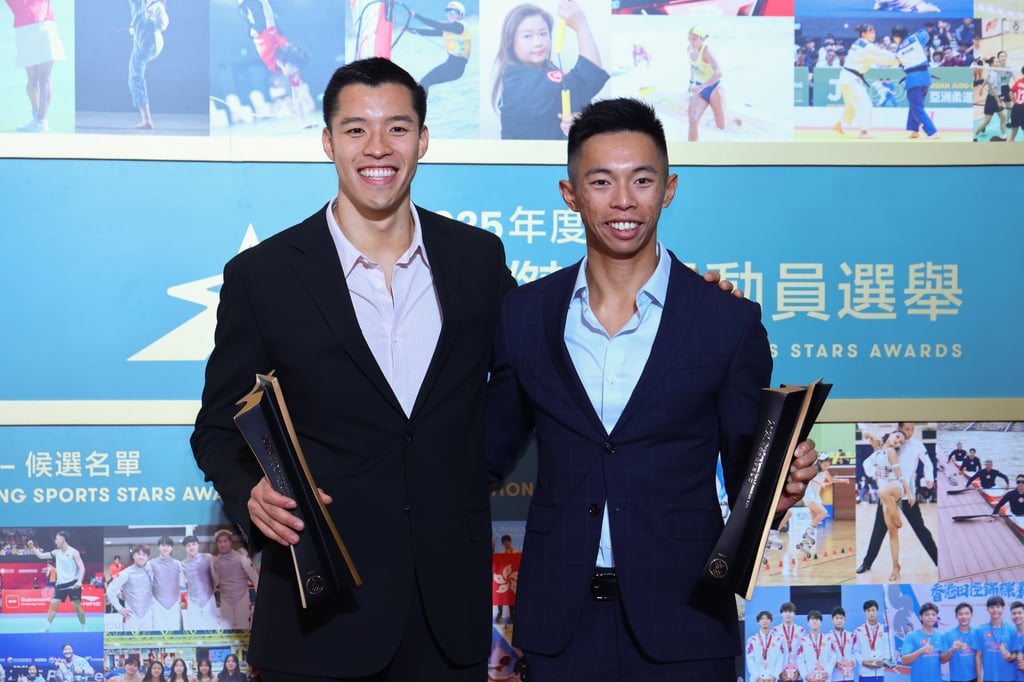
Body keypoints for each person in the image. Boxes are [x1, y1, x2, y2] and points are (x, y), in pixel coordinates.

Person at [190, 56, 517, 680]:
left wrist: (474, 466)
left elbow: (530, 368)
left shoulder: (476, 258)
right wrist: (249, 493)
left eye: (397, 128)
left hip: (446, 612)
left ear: (422, 140)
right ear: (327, 142)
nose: (378, 148)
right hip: (322, 612)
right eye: (355, 129)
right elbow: (216, 428)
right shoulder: (264, 276)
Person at [485, 97, 818, 680]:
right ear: (571, 194)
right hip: (560, 623)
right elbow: (482, 456)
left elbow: (749, 480)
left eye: (642, 180)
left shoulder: (726, 321)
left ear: (669, 189)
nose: (623, 201)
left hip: (686, 619)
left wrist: (781, 487)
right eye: (601, 181)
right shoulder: (524, 315)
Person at [491, 1, 609, 139]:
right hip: (531, 159)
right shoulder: (519, 83)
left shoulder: (546, 69)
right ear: (511, 42)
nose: (538, 42)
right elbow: (587, 78)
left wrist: (578, 120)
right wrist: (581, 26)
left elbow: (579, 96)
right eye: (528, 36)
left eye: (543, 33)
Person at [856, 422, 937, 575]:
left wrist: (929, 477)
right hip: (888, 494)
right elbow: (870, 462)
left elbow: (928, 463)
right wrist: (876, 471)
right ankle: (867, 563)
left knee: (921, 529)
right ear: (898, 429)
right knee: (878, 531)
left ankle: (938, 560)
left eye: (912, 429)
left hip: (907, 494)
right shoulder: (887, 447)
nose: (910, 432)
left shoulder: (917, 446)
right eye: (907, 429)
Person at [236, 0, 313, 126]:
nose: (294, 71)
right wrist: (265, 3)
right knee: (251, 7)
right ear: (286, 62)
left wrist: (303, 122)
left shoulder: (293, 70)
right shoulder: (273, 41)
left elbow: (297, 96)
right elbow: (269, 18)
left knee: (245, 11)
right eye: (293, 67)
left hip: (260, 33)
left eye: (295, 68)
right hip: (263, 27)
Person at [5, 0, 65, 133]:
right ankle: (39, 119)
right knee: (37, 79)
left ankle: (40, 120)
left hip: (39, 25)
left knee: (41, 79)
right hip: (32, 28)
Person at [833, 24, 899, 139]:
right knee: (865, 103)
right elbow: (882, 55)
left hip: (847, 77)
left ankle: (839, 124)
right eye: (870, 32)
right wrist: (899, 58)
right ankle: (864, 131)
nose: (874, 34)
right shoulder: (867, 47)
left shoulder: (858, 43)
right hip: (850, 78)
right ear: (863, 34)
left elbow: (877, 57)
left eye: (874, 32)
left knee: (851, 106)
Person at [686, 26, 742, 142]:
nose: (691, 42)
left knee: (722, 126)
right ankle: (691, 152)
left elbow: (719, 72)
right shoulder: (689, 49)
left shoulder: (707, 51)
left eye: (695, 39)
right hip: (700, 89)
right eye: (690, 38)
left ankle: (732, 119)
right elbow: (694, 68)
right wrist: (691, 84)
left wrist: (701, 86)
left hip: (714, 88)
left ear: (702, 39)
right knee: (693, 119)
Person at [26, 532, 87, 632]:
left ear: (62, 539)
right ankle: (47, 627)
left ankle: (84, 627)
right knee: (53, 604)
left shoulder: (74, 552)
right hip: (60, 584)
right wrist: (33, 547)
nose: (55, 541)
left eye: (57, 539)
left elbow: (82, 567)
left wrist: (80, 581)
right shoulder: (56, 552)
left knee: (77, 607)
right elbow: (41, 556)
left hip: (73, 584)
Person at [407, 1, 471, 93]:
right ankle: (420, 105)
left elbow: (437, 25)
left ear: (460, 15)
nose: (450, 14)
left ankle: (418, 106)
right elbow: (430, 32)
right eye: (449, 12)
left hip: (456, 67)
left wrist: (416, 15)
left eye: (453, 12)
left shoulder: (459, 26)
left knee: (425, 82)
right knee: (425, 82)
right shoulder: (450, 29)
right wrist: (410, 30)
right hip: (451, 64)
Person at [891, 24, 939, 139]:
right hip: (925, 77)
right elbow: (926, 33)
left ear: (897, 37)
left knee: (917, 107)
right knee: (916, 105)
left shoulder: (898, 51)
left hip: (913, 79)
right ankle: (914, 130)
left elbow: (902, 66)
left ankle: (932, 131)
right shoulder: (916, 38)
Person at [796, 456, 850, 557]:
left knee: (814, 520)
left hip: (815, 496)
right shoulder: (814, 470)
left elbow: (831, 479)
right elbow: (809, 479)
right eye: (825, 465)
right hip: (809, 495)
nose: (826, 467)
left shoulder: (825, 472)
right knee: (823, 513)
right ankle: (807, 532)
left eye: (828, 465)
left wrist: (842, 480)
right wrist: (821, 482)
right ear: (820, 463)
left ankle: (804, 543)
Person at [127, 0, 169, 129]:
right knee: (134, 78)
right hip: (141, 45)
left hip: (149, 41)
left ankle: (147, 120)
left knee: (139, 12)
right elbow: (133, 29)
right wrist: (133, 27)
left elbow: (163, 23)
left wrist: (149, 19)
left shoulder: (157, 7)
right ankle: (146, 120)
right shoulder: (143, 9)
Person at [210, 529, 258, 630]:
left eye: (225, 541)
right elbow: (216, 582)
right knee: (227, 630)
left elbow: (255, 577)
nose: (223, 544)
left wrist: (261, 598)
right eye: (220, 542)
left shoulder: (241, 558)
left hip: (241, 598)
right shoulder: (215, 561)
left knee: (243, 628)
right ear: (217, 544)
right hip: (225, 600)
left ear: (230, 542)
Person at [105, 543, 155, 631]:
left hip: (148, 614)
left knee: (148, 643)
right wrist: (119, 608)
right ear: (133, 556)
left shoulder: (152, 570)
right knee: (131, 643)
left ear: (147, 557)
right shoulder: (126, 573)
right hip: (131, 615)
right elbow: (110, 591)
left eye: (144, 555)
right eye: (138, 554)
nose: (141, 557)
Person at [181, 535, 219, 629]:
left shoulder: (208, 558)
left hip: (209, 598)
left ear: (198, 545)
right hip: (192, 601)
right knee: (195, 629)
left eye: (193, 544)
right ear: (185, 548)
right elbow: (182, 584)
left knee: (212, 627)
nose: (191, 547)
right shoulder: (183, 564)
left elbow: (216, 577)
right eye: (188, 545)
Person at [975, 595, 1017, 682]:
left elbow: (1015, 654)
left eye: (998, 607)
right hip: (989, 678)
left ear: (1003, 608)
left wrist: (1010, 657)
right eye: (992, 607)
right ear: (987, 609)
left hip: (1009, 678)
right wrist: (979, 678)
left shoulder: (1012, 629)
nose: (995, 610)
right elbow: (978, 655)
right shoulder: (980, 630)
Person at [150, 536, 186, 630]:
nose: (165, 548)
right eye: (163, 545)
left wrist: (182, 600)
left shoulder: (177, 564)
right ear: (158, 547)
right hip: (157, 603)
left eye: (168, 546)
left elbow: (182, 583)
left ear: (172, 548)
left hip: (174, 602)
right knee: (158, 630)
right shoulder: (151, 563)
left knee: (174, 630)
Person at [900, 602, 942, 681]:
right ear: (921, 617)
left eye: (933, 614)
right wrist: (921, 650)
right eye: (927, 614)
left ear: (936, 617)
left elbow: (943, 659)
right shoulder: (911, 636)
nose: (930, 617)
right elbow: (904, 661)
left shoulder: (940, 636)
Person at [853, 599, 892, 681]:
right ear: (865, 612)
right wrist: (863, 662)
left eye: (873, 610)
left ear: (877, 611)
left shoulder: (883, 629)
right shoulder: (859, 630)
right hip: (865, 673)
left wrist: (884, 661)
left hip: (880, 672)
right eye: (868, 611)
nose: (871, 613)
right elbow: (855, 651)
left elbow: (888, 648)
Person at [941, 602, 978, 682]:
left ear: (971, 615)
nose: (964, 617)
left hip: (975, 678)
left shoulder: (977, 633)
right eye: (960, 614)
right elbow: (943, 660)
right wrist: (951, 650)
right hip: (956, 679)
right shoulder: (949, 635)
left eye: (966, 613)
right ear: (956, 616)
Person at [797, 611, 837, 682]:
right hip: (810, 678)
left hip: (825, 678)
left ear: (821, 622)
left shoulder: (828, 639)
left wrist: (827, 673)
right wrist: (806, 676)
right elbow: (800, 660)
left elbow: (832, 657)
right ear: (808, 623)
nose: (815, 621)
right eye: (812, 619)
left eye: (817, 619)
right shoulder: (803, 640)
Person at [746, 610, 785, 681]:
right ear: (758, 622)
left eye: (767, 619)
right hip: (757, 679)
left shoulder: (778, 640)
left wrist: (775, 676)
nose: (765, 621)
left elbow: (780, 659)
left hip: (772, 678)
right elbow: (750, 660)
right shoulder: (752, 640)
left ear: (771, 621)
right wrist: (757, 677)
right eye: (762, 619)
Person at [829, 606, 856, 681]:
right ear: (832, 620)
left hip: (849, 675)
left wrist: (853, 661)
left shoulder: (850, 635)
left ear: (845, 619)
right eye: (837, 618)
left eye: (841, 618)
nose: (839, 620)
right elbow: (828, 655)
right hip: (836, 676)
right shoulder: (828, 637)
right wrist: (835, 664)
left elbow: (854, 651)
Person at [1006, 66, 1024, 142]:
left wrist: (1015, 101)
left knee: (1013, 133)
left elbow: (1010, 92)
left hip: (1016, 108)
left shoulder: (1018, 81)